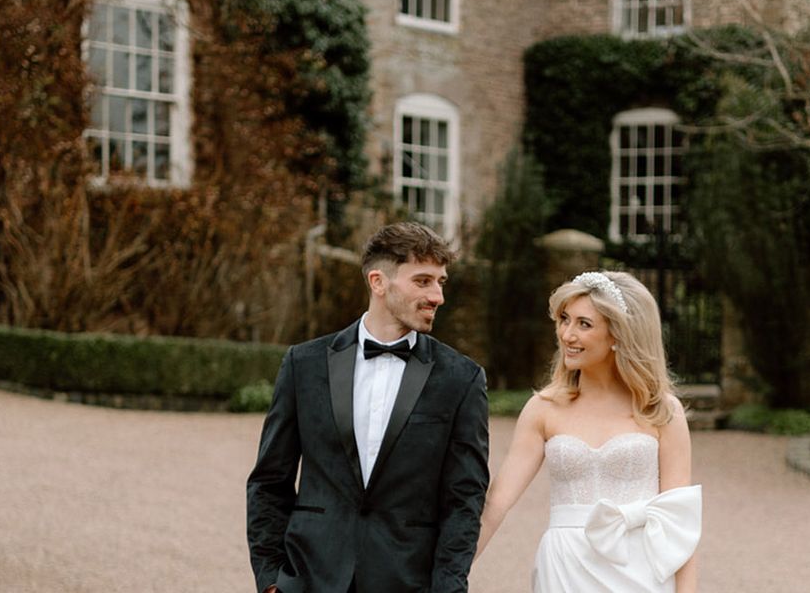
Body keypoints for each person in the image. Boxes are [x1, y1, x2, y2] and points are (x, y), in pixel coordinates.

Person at [246, 221, 490, 593]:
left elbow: (464, 500)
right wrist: (270, 579)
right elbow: (269, 481)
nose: (438, 296)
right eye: (423, 281)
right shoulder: (304, 364)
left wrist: (449, 588)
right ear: (378, 282)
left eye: (441, 282)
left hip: (406, 580)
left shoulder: (462, 379)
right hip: (310, 577)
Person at [476, 270, 701, 592]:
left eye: (584, 324)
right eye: (564, 319)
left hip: (640, 569)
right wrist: (448, 573)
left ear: (619, 335)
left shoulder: (662, 411)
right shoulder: (543, 409)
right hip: (565, 569)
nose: (567, 334)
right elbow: (496, 504)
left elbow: (679, 520)